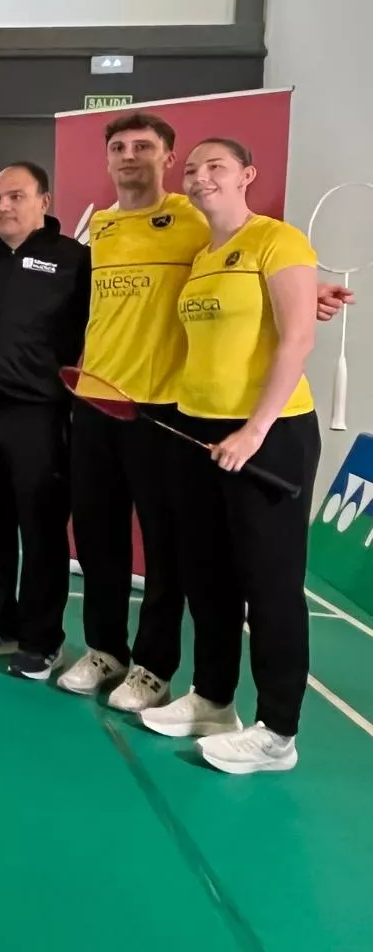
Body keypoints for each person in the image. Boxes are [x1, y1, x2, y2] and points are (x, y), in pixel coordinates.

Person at [59, 112, 351, 710]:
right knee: (97, 537)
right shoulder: (101, 228)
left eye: (144, 146)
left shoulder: (196, 217)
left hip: (163, 409)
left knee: (167, 550)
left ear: (168, 160)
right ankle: (105, 648)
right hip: (96, 401)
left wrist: (305, 293)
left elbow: (250, 267)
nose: (130, 156)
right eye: (119, 147)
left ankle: (153, 667)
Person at [139, 138, 320, 774]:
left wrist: (254, 430)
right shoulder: (202, 257)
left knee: (270, 584)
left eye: (216, 166)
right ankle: (214, 700)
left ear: (248, 174)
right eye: (192, 169)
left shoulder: (278, 240)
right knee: (208, 577)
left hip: (270, 434)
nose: (200, 177)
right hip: (199, 432)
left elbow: (298, 338)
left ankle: (278, 733)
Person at [0, 161, 90, 679]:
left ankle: (41, 638)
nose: (3, 206)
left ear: (44, 202)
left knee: (41, 533)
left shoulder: (74, 260)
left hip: (41, 415)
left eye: (15, 196)